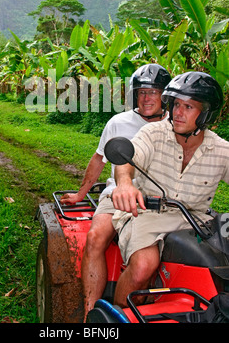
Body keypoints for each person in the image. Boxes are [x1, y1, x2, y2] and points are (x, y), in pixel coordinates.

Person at [60, 63, 172, 320]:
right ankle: (90, 313)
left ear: (165, 96)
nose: (147, 98)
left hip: (159, 199)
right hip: (117, 194)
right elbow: (99, 159)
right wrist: (80, 194)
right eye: (142, 92)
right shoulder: (118, 122)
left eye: (154, 92)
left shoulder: (176, 124)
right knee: (95, 237)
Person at [111, 71, 229, 308]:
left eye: (188, 107)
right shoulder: (153, 133)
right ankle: (119, 314)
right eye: (176, 104)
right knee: (144, 265)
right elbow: (127, 160)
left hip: (193, 221)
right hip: (146, 214)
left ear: (206, 115)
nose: (177, 112)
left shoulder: (221, 150)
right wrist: (124, 184)